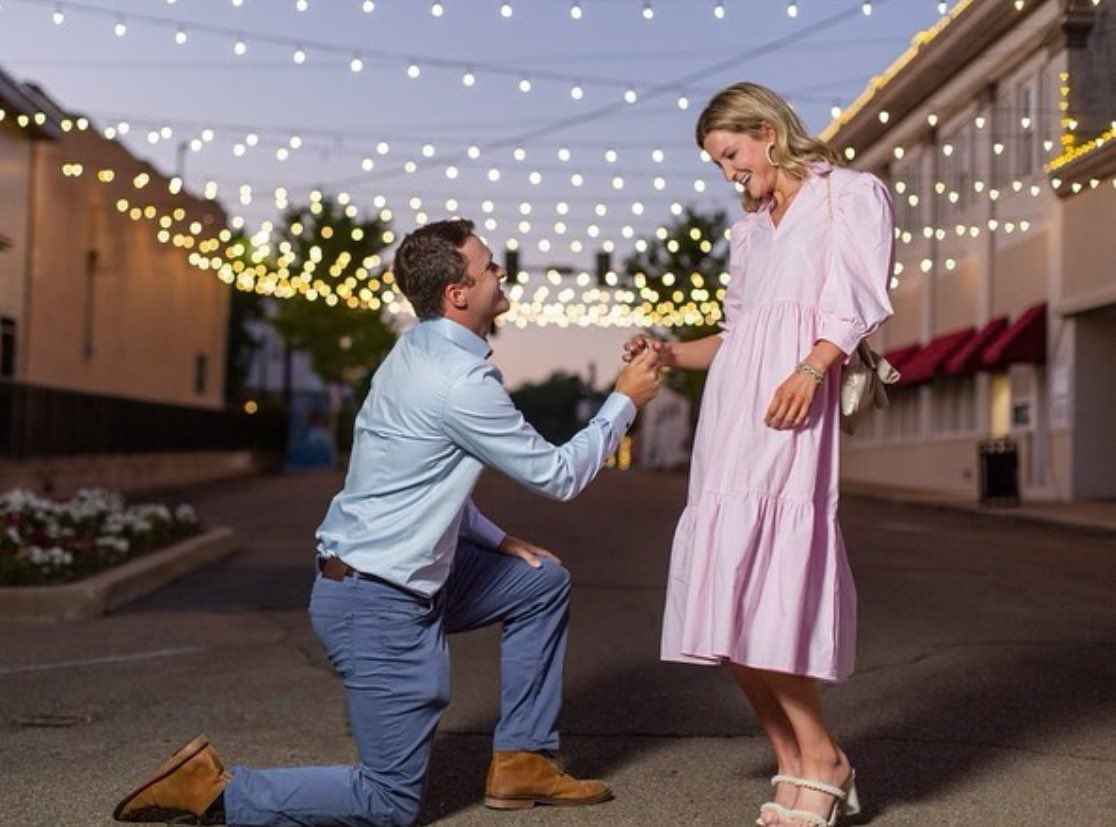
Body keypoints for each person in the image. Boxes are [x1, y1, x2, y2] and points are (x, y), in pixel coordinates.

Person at [113, 218, 662, 827]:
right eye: (489, 264)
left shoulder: (418, 347)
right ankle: (210, 792)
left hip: (395, 579)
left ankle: (523, 762)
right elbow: (559, 476)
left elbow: (425, 476)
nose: (502, 269)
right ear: (458, 293)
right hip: (376, 602)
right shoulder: (457, 380)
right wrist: (625, 401)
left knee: (540, 581)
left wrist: (499, 539)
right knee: (387, 805)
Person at [625, 82, 894, 827]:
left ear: (768, 131)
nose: (729, 173)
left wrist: (812, 368)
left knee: (764, 579)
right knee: (728, 594)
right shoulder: (749, 232)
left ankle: (824, 759)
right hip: (731, 416)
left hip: (790, 408)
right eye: (717, 163)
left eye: (731, 154)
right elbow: (737, 331)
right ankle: (794, 760)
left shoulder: (849, 195)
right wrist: (670, 349)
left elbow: (863, 297)